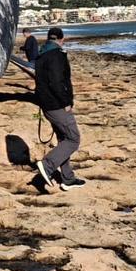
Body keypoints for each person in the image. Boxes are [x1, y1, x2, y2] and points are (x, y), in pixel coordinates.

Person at [34, 28, 86, 191]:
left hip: (46, 104)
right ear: (61, 39)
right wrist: (66, 102)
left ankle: (68, 179)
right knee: (73, 139)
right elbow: (57, 82)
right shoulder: (56, 55)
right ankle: (47, 165)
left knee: (64, 140)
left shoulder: (42, 54)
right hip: (57, 104)